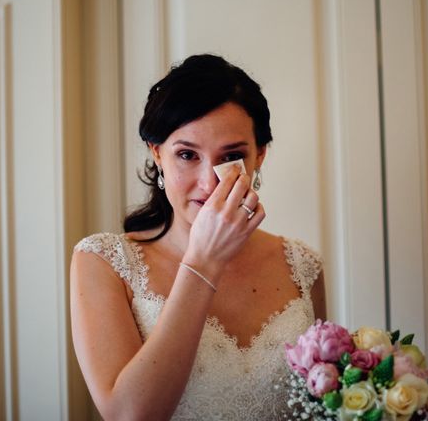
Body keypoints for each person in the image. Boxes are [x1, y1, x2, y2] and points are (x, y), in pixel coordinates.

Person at [70, 54, 326, 420]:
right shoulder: (103, 262)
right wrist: (204, 262)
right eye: (187, 154)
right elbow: (129, 415)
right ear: (157, 154)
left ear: (259, 157)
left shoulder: (304, 266)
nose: (209, 183)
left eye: (232, 156)